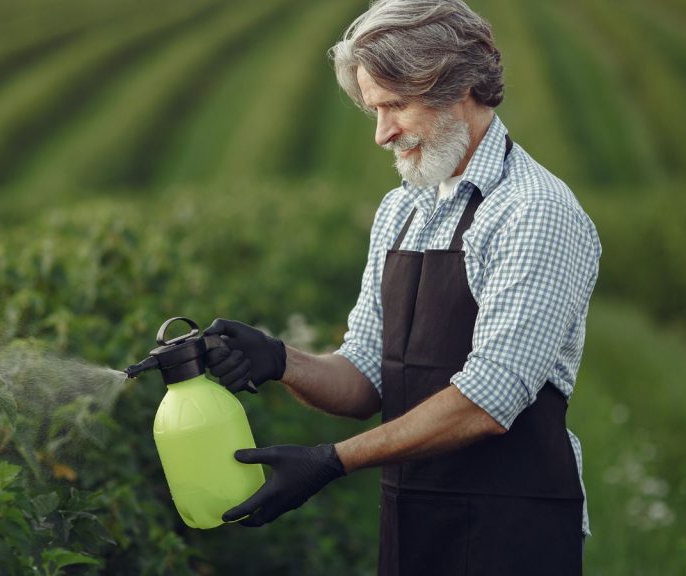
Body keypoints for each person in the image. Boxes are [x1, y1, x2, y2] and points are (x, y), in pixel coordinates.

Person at [203, 1, 601, 574]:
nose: (382, 134)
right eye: (374, 111)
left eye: (396, 105)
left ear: (459, 85)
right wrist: (277, 359)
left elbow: (488, 401)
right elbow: (365, 375)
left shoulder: (532, 210)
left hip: (511, 533)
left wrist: (330, 461)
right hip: (413, 525)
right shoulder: (404, 209)